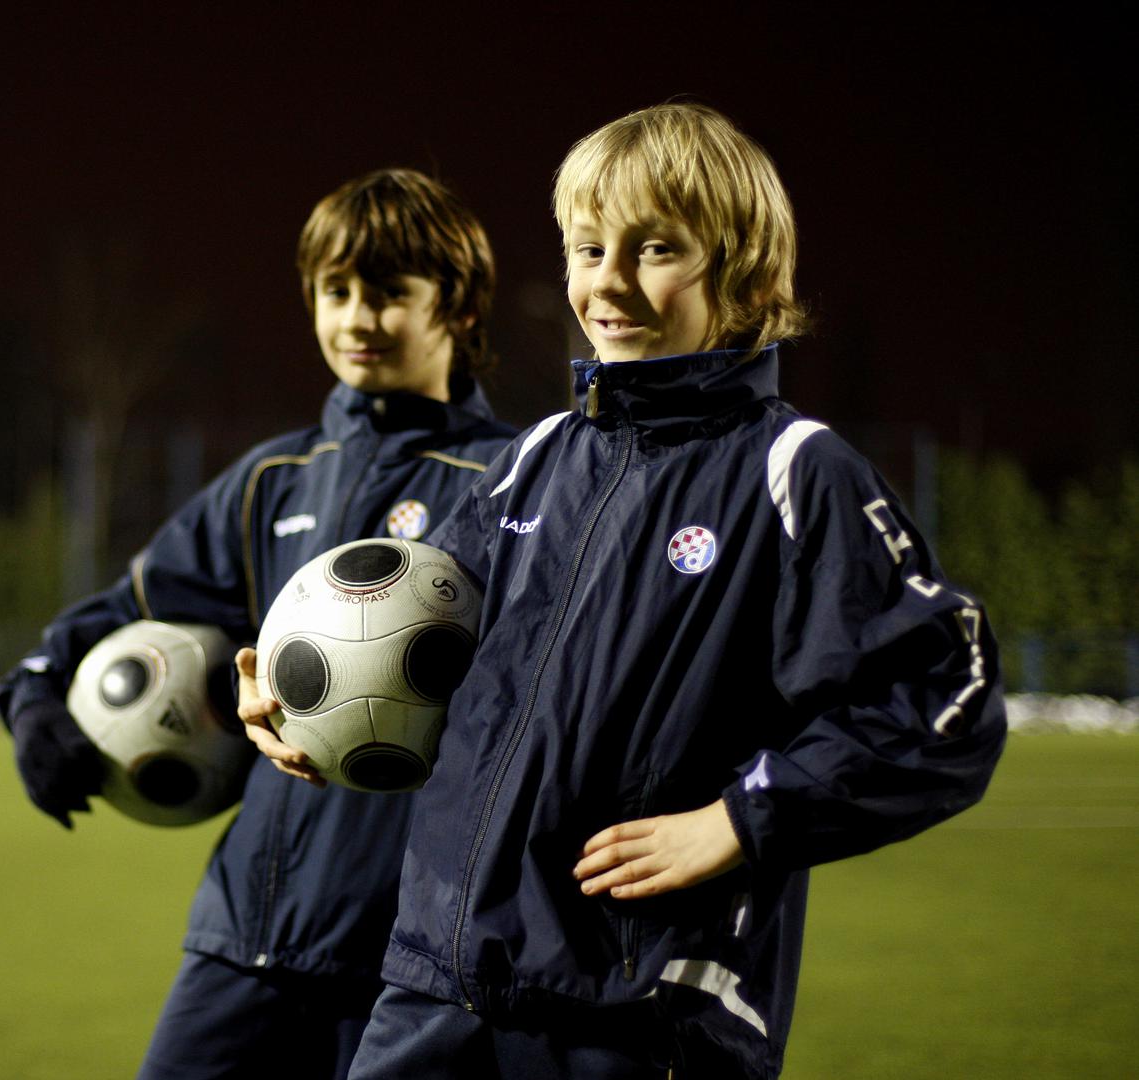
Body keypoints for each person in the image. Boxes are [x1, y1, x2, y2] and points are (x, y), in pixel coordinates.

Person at [247, 104, 1007, 1079]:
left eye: (655, 249)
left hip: (635, 1014)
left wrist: (741, 821)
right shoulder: (535, 461)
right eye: (588, 247)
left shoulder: (793, 472)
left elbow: (948, 699)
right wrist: (291, 691)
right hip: (435, 989)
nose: (607, 281)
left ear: (745, 270)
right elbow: (403, 646)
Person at [0, 168, 518, 1080]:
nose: (357, 317)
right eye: (336, 290)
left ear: (461, 306)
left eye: (390, 292)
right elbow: (124, 610)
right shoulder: (274, 481)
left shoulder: (512, 482)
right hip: (247, 936)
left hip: (415, 961)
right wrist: (35, 698)